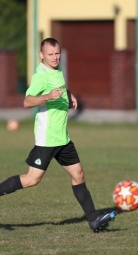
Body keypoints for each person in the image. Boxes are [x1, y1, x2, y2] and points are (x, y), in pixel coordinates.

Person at [0, 38, 116, 232]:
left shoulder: (57, 70)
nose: (55, 57)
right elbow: (27, 101)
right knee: (32, 179)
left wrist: (69, 94)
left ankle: (94, 220)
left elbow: (59, 89)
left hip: (62, 138)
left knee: (78, 175)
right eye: (51, 54)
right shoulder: (41, 75)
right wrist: (46, 96)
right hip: (47, 139)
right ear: (41, 56)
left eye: (57, 53)